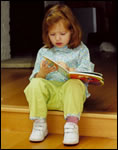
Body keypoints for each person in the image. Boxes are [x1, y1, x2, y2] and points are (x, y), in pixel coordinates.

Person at [24, 4, 94, 145]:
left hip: (71, 99)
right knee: (35, 83)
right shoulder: (44, 52)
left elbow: (87, 74)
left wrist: (70, 70)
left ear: (72, 31)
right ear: (46, 34)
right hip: (48, 99)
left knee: (74, 84)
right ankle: (39, 124)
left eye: (62, 34)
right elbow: (35, 80)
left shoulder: (81, 50)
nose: (57, 39)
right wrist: (42, 73)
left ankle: (71, 125)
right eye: (52, 34)